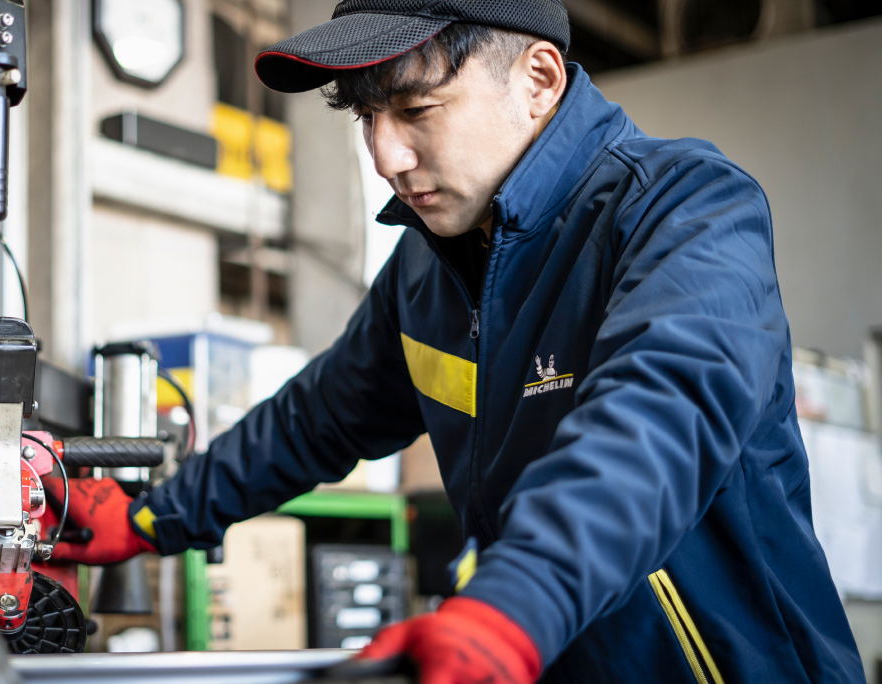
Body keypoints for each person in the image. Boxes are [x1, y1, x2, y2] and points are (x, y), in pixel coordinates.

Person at [47, 1, 865, 682]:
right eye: (368, 117)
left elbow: (659, 419)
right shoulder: (426, 269)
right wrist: (152, 517)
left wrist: (509, 609)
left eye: (416, 109)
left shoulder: (683, 209)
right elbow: (315, 421)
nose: (385, 156)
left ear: (538, 79)